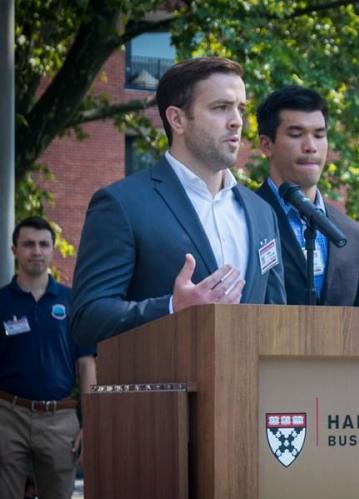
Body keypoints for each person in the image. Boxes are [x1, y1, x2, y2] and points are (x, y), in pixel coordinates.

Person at [71, 57, 286, 346]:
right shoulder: (121, 204)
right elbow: (87, 319)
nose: (237, 121)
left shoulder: (263, 213)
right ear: (178, 119)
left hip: (248, 388)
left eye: (241, 109)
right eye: (221, 107)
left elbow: (277, 317)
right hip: (165, 388)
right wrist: (172, 307)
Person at [0, 216, 96, 499]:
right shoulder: (1, 301)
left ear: (53, 251)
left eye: (43, 244)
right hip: (7, 415)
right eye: (28, 244)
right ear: (15, 249)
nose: (36, 251)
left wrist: (90, 421)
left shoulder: (72, 301)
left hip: (60, 419)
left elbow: (86, 364)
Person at [255, 86, 359, 306]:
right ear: (267, 145)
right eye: (296, 135)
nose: (311, 147)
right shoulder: (242, 219)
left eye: (319, 135)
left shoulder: (353, 234)